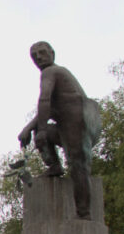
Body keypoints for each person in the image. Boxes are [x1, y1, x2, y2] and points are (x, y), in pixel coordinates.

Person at [17, 41, 102, 219]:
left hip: (76, 124)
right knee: (45, 133)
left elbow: (44, 101)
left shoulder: (51, 72)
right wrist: (30, 129)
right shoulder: (59, 75)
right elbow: (48, 110)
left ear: (52, 53)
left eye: (42, 53)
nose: (38, 57)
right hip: (68, 125)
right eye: (34, 56)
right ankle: (55, 166)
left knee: (78, 167)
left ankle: (84, 214)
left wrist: (39, 131)